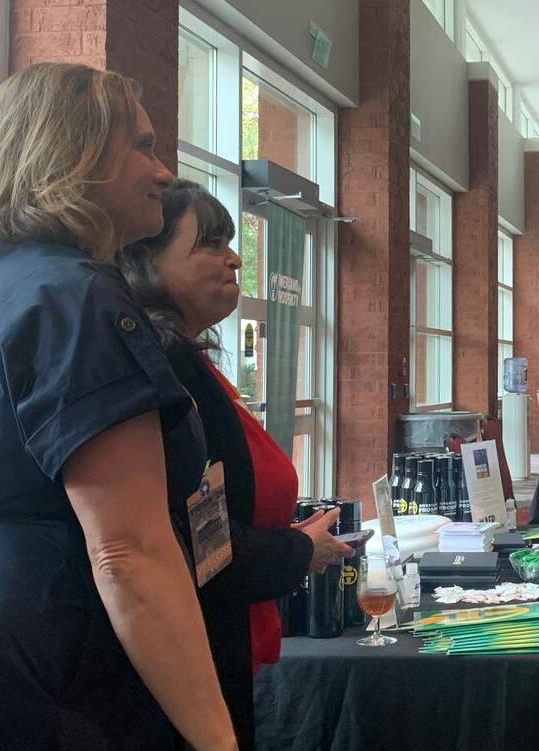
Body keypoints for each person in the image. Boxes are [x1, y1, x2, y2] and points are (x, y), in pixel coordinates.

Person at [0, 63, 236, 749]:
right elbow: (127, 553)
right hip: (67, 672)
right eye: (142, 145)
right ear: (73, 154)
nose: (164, 171)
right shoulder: (76, 299)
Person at [119, 180, 354, 749]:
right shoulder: (162, 369)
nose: (234, 258)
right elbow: (193, 541)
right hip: (189, 654)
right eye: (209, 243)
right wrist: (300, 551)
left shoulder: (195, 365)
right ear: (147, 260)